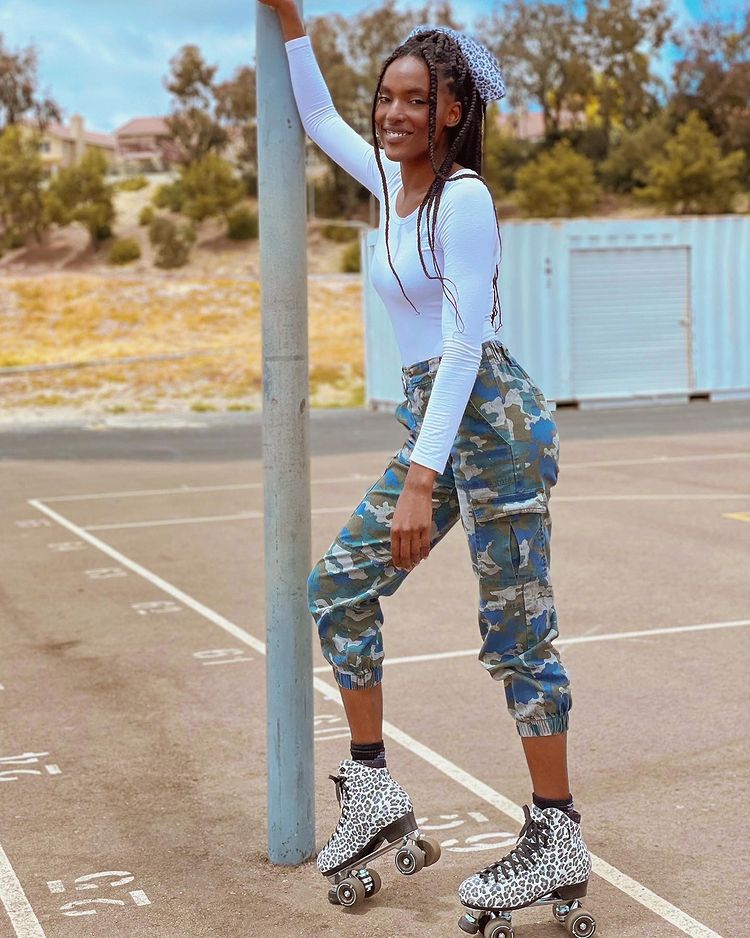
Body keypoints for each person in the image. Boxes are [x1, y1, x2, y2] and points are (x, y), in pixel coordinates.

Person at [258, 0, 593, 924]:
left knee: (517, 629)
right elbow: (320, 119)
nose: (393, 114)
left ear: (451, 111)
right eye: (387, 98)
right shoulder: (388, 180)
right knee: (339, 586)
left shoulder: (466, 197)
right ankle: (372, 790)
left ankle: (556, 833)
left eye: (415, 100)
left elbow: (462, 340)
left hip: (492, 417)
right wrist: (289, 18)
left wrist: (419, 479)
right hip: (438, 419)